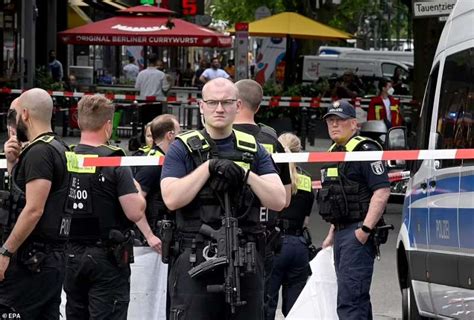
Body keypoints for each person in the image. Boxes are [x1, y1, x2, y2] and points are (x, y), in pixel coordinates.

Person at [160, 78, 286, 319]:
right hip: (196, 256)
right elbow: (172, 198)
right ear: (201, 106)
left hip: (244, 257)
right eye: (213, 102)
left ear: (238, 106)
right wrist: (208, 167)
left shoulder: (253, 149)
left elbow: (279, 200)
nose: (219, 108)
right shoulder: (182, 147)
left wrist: (246, 175)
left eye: (226, 102)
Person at [63, 95, 161, 320]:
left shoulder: (67, 157)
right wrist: (136, 189)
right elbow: (135, 212)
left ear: (79, 122)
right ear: (108, 126)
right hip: (107, 257)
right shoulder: (114, 161)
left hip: (70, 254)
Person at [0, 88, 70, 318]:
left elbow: (33, 209)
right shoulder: (58, 147)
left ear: (26, 115)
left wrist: (5, 251)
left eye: (15, 115)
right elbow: (23, 198)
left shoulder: (40, 153)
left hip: (31, 262)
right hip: (47, 260)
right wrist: (13, 164)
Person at [319, 100, 390, 319]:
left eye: (339, 121)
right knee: (352, 298)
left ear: (353, 123)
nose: (334, 125)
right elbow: (337, 196)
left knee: (350, 300)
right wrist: (332, 232)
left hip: (358, 231)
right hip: (342, 232)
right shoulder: (333, 152)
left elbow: (382, 191)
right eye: (330, 121)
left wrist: (365, 230)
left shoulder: (364, 150)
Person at [233, 79, 292, 316]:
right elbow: (285, 198)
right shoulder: (272, 142)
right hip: (263, 234)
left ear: (235, 104)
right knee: (259, 301)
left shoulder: (217, 136)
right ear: (258, 107)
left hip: (218, 231)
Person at [266, 133, 315, 319]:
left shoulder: (273, 179)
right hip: (299, 246)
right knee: (295, 308)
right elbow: (306, 220)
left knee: (267, 302)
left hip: (275, 244)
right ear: (299, 151)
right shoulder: (307, 181)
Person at [135, 114, 180, 234]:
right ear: (170, 135)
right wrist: (148, 235)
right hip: (154, 232)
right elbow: (135, 202)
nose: (180, 137)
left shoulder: (159, 158)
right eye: (178, 133)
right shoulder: (154, 164)